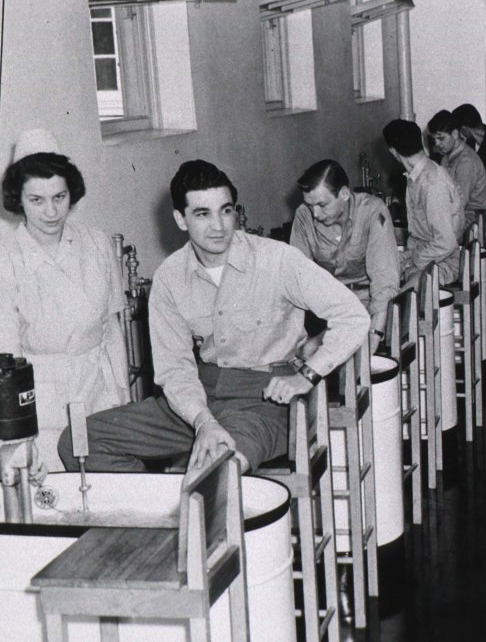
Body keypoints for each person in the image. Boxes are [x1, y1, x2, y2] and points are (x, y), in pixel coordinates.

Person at [58, 160, 369, 473]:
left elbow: (354, 317)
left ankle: (183, 505)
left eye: (226, 210)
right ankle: (161, 510)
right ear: (181, 219)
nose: (219, 226)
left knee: (212, 475)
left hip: (265, 403)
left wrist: (307, 376)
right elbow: (175, 368)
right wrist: (203, 421)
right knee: (79, 443)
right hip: (198, 400)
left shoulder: (277, 259)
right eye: (202, 214)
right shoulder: (169, 277)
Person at [0, 145, 128, 471]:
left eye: (59, 197)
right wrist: (17, 436)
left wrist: (123, 395)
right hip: (42, 408)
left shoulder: (97, 243)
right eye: (37, 200)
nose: (51, 212)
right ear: (19, 199)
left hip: (99, 395)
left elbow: (112, 327)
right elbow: (5, 363)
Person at [290, 159, 399, 353]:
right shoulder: (304, 216)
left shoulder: (373, 212)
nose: (315, 213)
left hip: (369, 306)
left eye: (322, 205)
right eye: (310, 205)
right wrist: (298, 337)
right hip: (327, 309)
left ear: (344, 194)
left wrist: (374, 337)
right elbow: (296, 279)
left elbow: (384, 284)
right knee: (306, 352)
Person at [383, 118, 463, 285]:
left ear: (393, 151)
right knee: (380, 267)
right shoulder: (417, 177)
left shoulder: (432, 184)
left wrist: (412, 262)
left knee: (400, 291)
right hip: (425, 254)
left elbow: (445, 243)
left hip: (444, 262)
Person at [427, 110, 486, 240]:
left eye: (441, 138)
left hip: (472, 222)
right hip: (460, 217)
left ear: (455, 134)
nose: (437, 144)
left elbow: (459, 203)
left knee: (429, 241)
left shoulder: (466, 161)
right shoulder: (447, 157)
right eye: (435, 139)